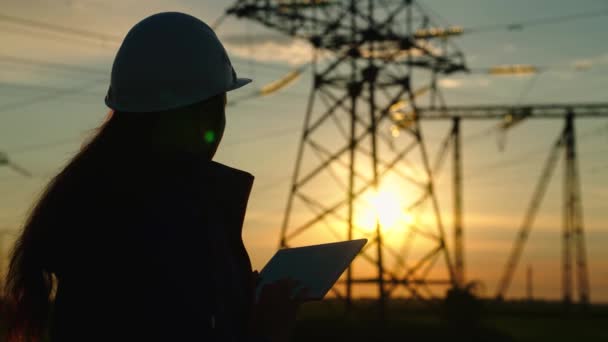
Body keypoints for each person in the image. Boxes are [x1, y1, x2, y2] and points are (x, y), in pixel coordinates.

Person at [4, 12, 304, 342]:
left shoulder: (100, 213)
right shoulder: (170, 229)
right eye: (220, 105)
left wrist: (228, 300)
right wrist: (266, 333)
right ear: (203, 113)